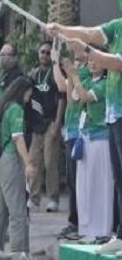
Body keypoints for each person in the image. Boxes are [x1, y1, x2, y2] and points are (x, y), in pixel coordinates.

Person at [48, 8, 122, 243]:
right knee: (111, 181)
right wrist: (61, 30)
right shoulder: (117, 27)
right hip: (109, 118)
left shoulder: (98, 79)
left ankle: (107, 230)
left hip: (112, 122)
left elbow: (116, 62)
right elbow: (90, 32)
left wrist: (86, 52)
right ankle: (108, 234)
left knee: (108, 183)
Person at [0, 75, 37, 260]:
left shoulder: (1, 106)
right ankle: (21, 250)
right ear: (23, 91)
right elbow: (18, 138)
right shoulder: (16, 109)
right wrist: (28, 163)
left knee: (2, 206)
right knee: (18, 207)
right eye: (29, 93)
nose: (29, 98)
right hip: (9, 159)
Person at [66, 58, 113, 239]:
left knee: (99, 184)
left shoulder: (105, 84)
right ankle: (86, 229)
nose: (92, 64)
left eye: (97, 60)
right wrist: (72, 78)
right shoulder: (85, 81)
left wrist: (74, 77)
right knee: (83, 185)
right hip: (84, 138)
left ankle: (102, 229)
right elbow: (73, 99)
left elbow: (85, 96)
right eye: (90, 60)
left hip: (100, 138)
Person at [52, 46, 89, 238]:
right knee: (72, 180)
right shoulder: (76, 70)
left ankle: (79, 222)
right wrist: (54, 62)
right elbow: (62, 86)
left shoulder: (85, 72)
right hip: (71, 131)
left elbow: (72, 94)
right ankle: (74, 221)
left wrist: (71, 72)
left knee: (78, 181)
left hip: (81, 133)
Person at [29, 40, 64, 212]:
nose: (44, 55)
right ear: (38, 54)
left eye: (48, 52)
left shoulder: (55, 74)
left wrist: (57, 124)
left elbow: (61, 99)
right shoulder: (33, 75)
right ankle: (34, 199)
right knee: (34, 163)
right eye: (42, 52)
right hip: (36, 125)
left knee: (50, 162)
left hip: (50, 122)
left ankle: (53, 198)